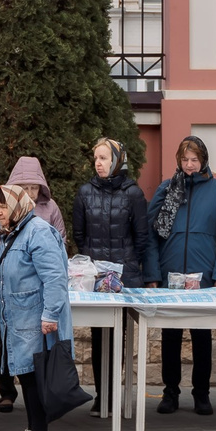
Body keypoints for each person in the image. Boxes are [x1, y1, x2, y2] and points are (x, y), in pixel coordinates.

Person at [0, 181, 72, 431]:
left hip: (34, 318)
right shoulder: (15, 232)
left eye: (2, 207)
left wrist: (50, 315)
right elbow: (6, 269)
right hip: (21, 318)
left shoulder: (38, 232)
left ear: (17, 206)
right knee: (26, 374)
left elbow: (56, 277)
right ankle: (34, 428)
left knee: (33, 376)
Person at [151, 135, 216, 416]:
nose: (190, 165)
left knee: (202, 338)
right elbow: (151, 234)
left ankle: (202, 393)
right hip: (170, 277)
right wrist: (153, 274)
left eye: (195, 159)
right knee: (171, 337)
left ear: (203, 161)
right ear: (179, 160)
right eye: (185, 159)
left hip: (204, 281)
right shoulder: (166, 190)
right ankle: (170, 392)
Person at [72, 138, 155, 414]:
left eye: (105, 158)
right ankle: (101, 396)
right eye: (96, 157)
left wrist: (126, 266)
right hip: (96, 279)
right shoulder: (85, 193)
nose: (99, 162)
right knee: (99, 335)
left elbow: (141, 237)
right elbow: (80, 236)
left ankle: (115, 396)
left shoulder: (133, 193)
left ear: (118, 160)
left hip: (123, 278)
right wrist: (94, 270)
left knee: (118, 335)